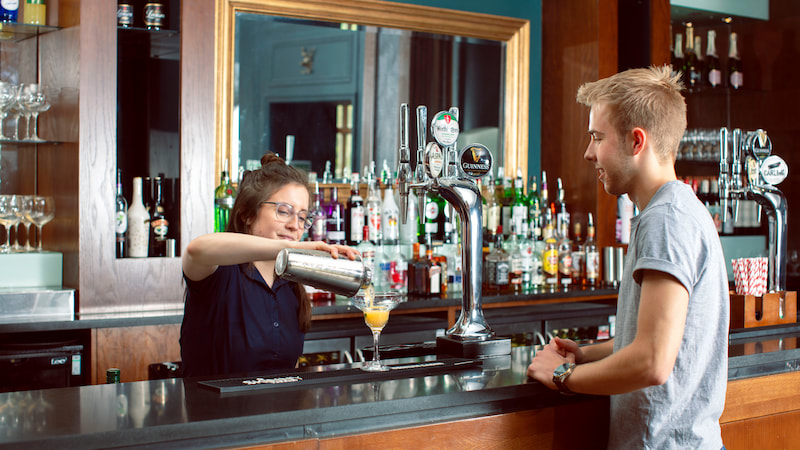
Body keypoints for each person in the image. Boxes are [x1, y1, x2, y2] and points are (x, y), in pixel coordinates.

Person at [527, 65, 729, 449]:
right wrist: (588, 354)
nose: (588, 153)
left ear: (637, 142)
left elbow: (652, 361)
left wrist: (563, 375)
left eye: (596, 137)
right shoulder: (676, 209)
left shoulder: (665, 221)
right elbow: (661, 338)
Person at [180, 153, 358, 377]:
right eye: (284, 211)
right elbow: (196, 250)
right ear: (247, 214)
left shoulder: (291, 284)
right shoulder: (219, 272)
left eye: (303, 217)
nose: (296, 226)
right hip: (214, 411)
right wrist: (292, 248)